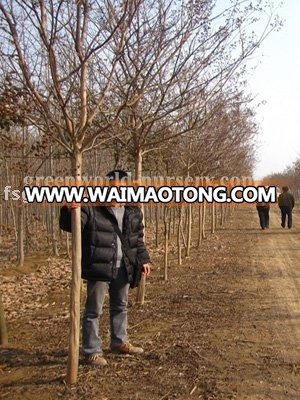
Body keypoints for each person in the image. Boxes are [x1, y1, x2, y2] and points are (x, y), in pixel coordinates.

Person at [59, 170, 151, 366]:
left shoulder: (133, 211)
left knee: (121, 306)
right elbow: (72, 226)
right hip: (99, 266)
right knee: (94, 310)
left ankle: (119, 342)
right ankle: (91, 350)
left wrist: (143, 259)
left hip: (123, 266)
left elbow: (137, 239)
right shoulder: (91, 208)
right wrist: (68, 209)